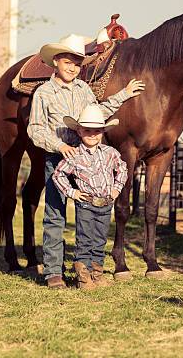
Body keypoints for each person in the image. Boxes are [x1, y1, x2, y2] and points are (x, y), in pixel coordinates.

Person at [27, 34, 144, 289]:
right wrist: (59, 145)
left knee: (90, 215)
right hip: (58, 157)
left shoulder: (83, 90)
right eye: (67, 62)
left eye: (77, 64)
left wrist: (123, 94)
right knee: (55, 214)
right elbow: (35, 129)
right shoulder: (44, 93)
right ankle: (53, 271)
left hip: (85, 159)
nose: (72, 68)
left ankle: (89, 267)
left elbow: (96, 114)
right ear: (56, 61)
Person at [53, 105, 128, 289]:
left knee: (100, 239)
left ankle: (97, 273)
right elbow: (58, 174)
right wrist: (72, 192)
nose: (92, 134)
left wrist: (116, 189)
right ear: (79, 131)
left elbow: (123, 169)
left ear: (103, 131)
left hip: (106, 203)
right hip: (86, 204)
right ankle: (83, 276)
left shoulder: (111, 153)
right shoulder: (74, 155)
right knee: (85, 238)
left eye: (97, 131)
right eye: (87, 130)